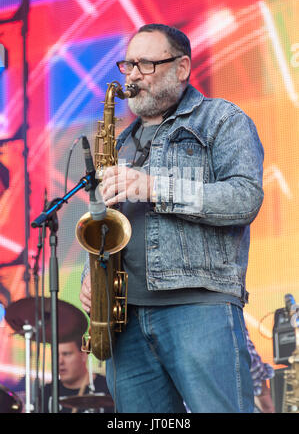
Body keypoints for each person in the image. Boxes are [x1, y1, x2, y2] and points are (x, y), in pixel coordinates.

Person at [80, 23, 264, 413]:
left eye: (145, 64)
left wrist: (154, 188)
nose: (132, 74)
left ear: (182, 68)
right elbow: (105, 223)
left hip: (198, 307)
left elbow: (244, 198)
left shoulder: (221, 119)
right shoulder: (120, 140)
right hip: (124, 317)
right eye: (128, 64)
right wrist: (90, 274)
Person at [43, 338, 114, 413]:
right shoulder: (47, 392)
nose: (60, 361)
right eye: (56, 355)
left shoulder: (108, 388)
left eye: (66, 354)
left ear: (84, 355)